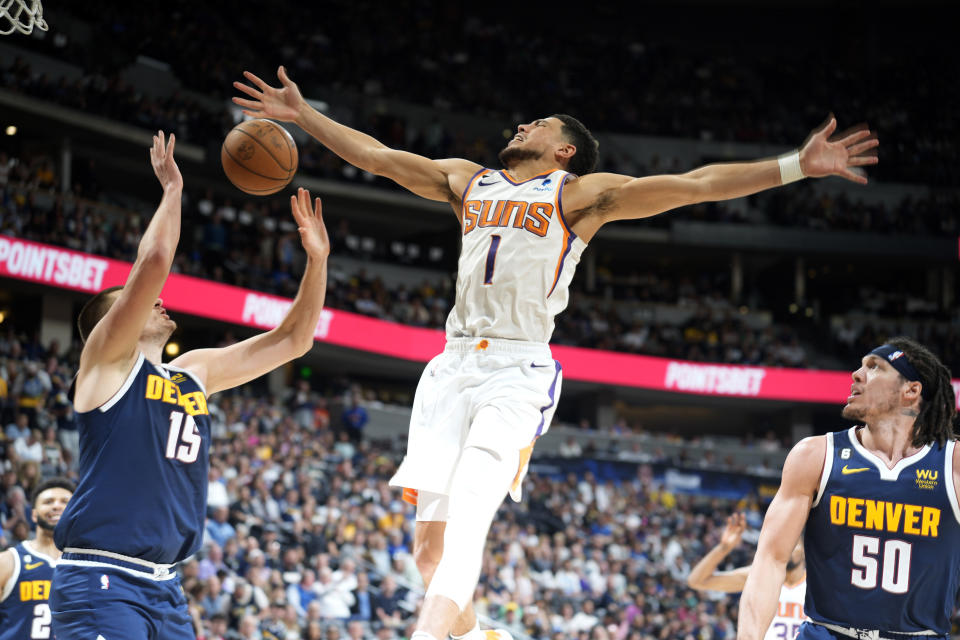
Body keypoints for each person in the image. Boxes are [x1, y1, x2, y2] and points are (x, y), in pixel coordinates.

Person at [234, 66, 878, 640]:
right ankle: (481, 635)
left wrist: (797, 164)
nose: (522, 123)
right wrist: (304, 116)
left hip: (516, 369)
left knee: (468, 525)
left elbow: (696, 184)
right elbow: (378, 157)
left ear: (564, 149)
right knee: (428, 556)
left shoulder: (577, 194)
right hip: (450, 366)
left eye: (538, 123)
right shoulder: (468, 181)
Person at [49, 131, 331, 639]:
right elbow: (154, 262)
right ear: (107, 324)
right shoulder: (105, 365)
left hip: (166, 589)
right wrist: (172, 191)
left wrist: (317, 260)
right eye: (132, 299)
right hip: (101, 577)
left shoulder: (193, 372)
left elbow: (294, 341)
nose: (155, 300)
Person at [737, 337, 959, 640]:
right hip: (827, 633)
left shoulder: (952, 464)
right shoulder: (815, 456)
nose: (856, 374)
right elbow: (770, 559)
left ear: (912, 390)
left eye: (875, 367)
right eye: (860, 365)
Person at [687, 512, 806, 640]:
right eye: (782, 544)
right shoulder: (760, 576)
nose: (787, 549)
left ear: (805, 549)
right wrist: (724, 547)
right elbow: (697, 581)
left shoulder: (819, 583)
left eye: (794, 543)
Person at [0, 477, 74, 640]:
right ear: (33, 515)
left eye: (65, 502)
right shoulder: (8, 561)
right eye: (48, 502)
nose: (56, 506)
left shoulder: (90, 565)